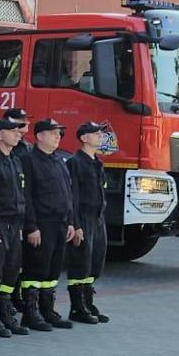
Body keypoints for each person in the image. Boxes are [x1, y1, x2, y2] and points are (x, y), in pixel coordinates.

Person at [19, 119, 77, 331]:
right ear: (40, 136)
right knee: (36, 269)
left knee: (52, 271)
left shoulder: (59, 160)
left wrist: (70, 221)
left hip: (60, 224)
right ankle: (31, 313)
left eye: (59, 133)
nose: (57, 137)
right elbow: (27, 196)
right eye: (53, 133)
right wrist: (31, 226)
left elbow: (67, 194)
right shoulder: (29, 160)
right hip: (41, 224)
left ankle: (47, 310)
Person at [0, 117, 30, 338]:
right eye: (13, 130)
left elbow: (21, 195)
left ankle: (5, 314)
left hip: (13, 224)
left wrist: (20, 225)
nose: (18, 133)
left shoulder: (15, 160)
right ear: (0, 135)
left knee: (10, 272)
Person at [68, 121, 114, 325]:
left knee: (95, 261)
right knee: (81, 262)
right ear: (84, 138)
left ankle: (88, 302)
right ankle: (77, 307)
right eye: (95, 134)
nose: (100, 137)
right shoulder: (75, 163)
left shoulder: (97, 162)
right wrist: (76, 225)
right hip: (83, 218)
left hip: (97, 218)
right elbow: (73, 197)